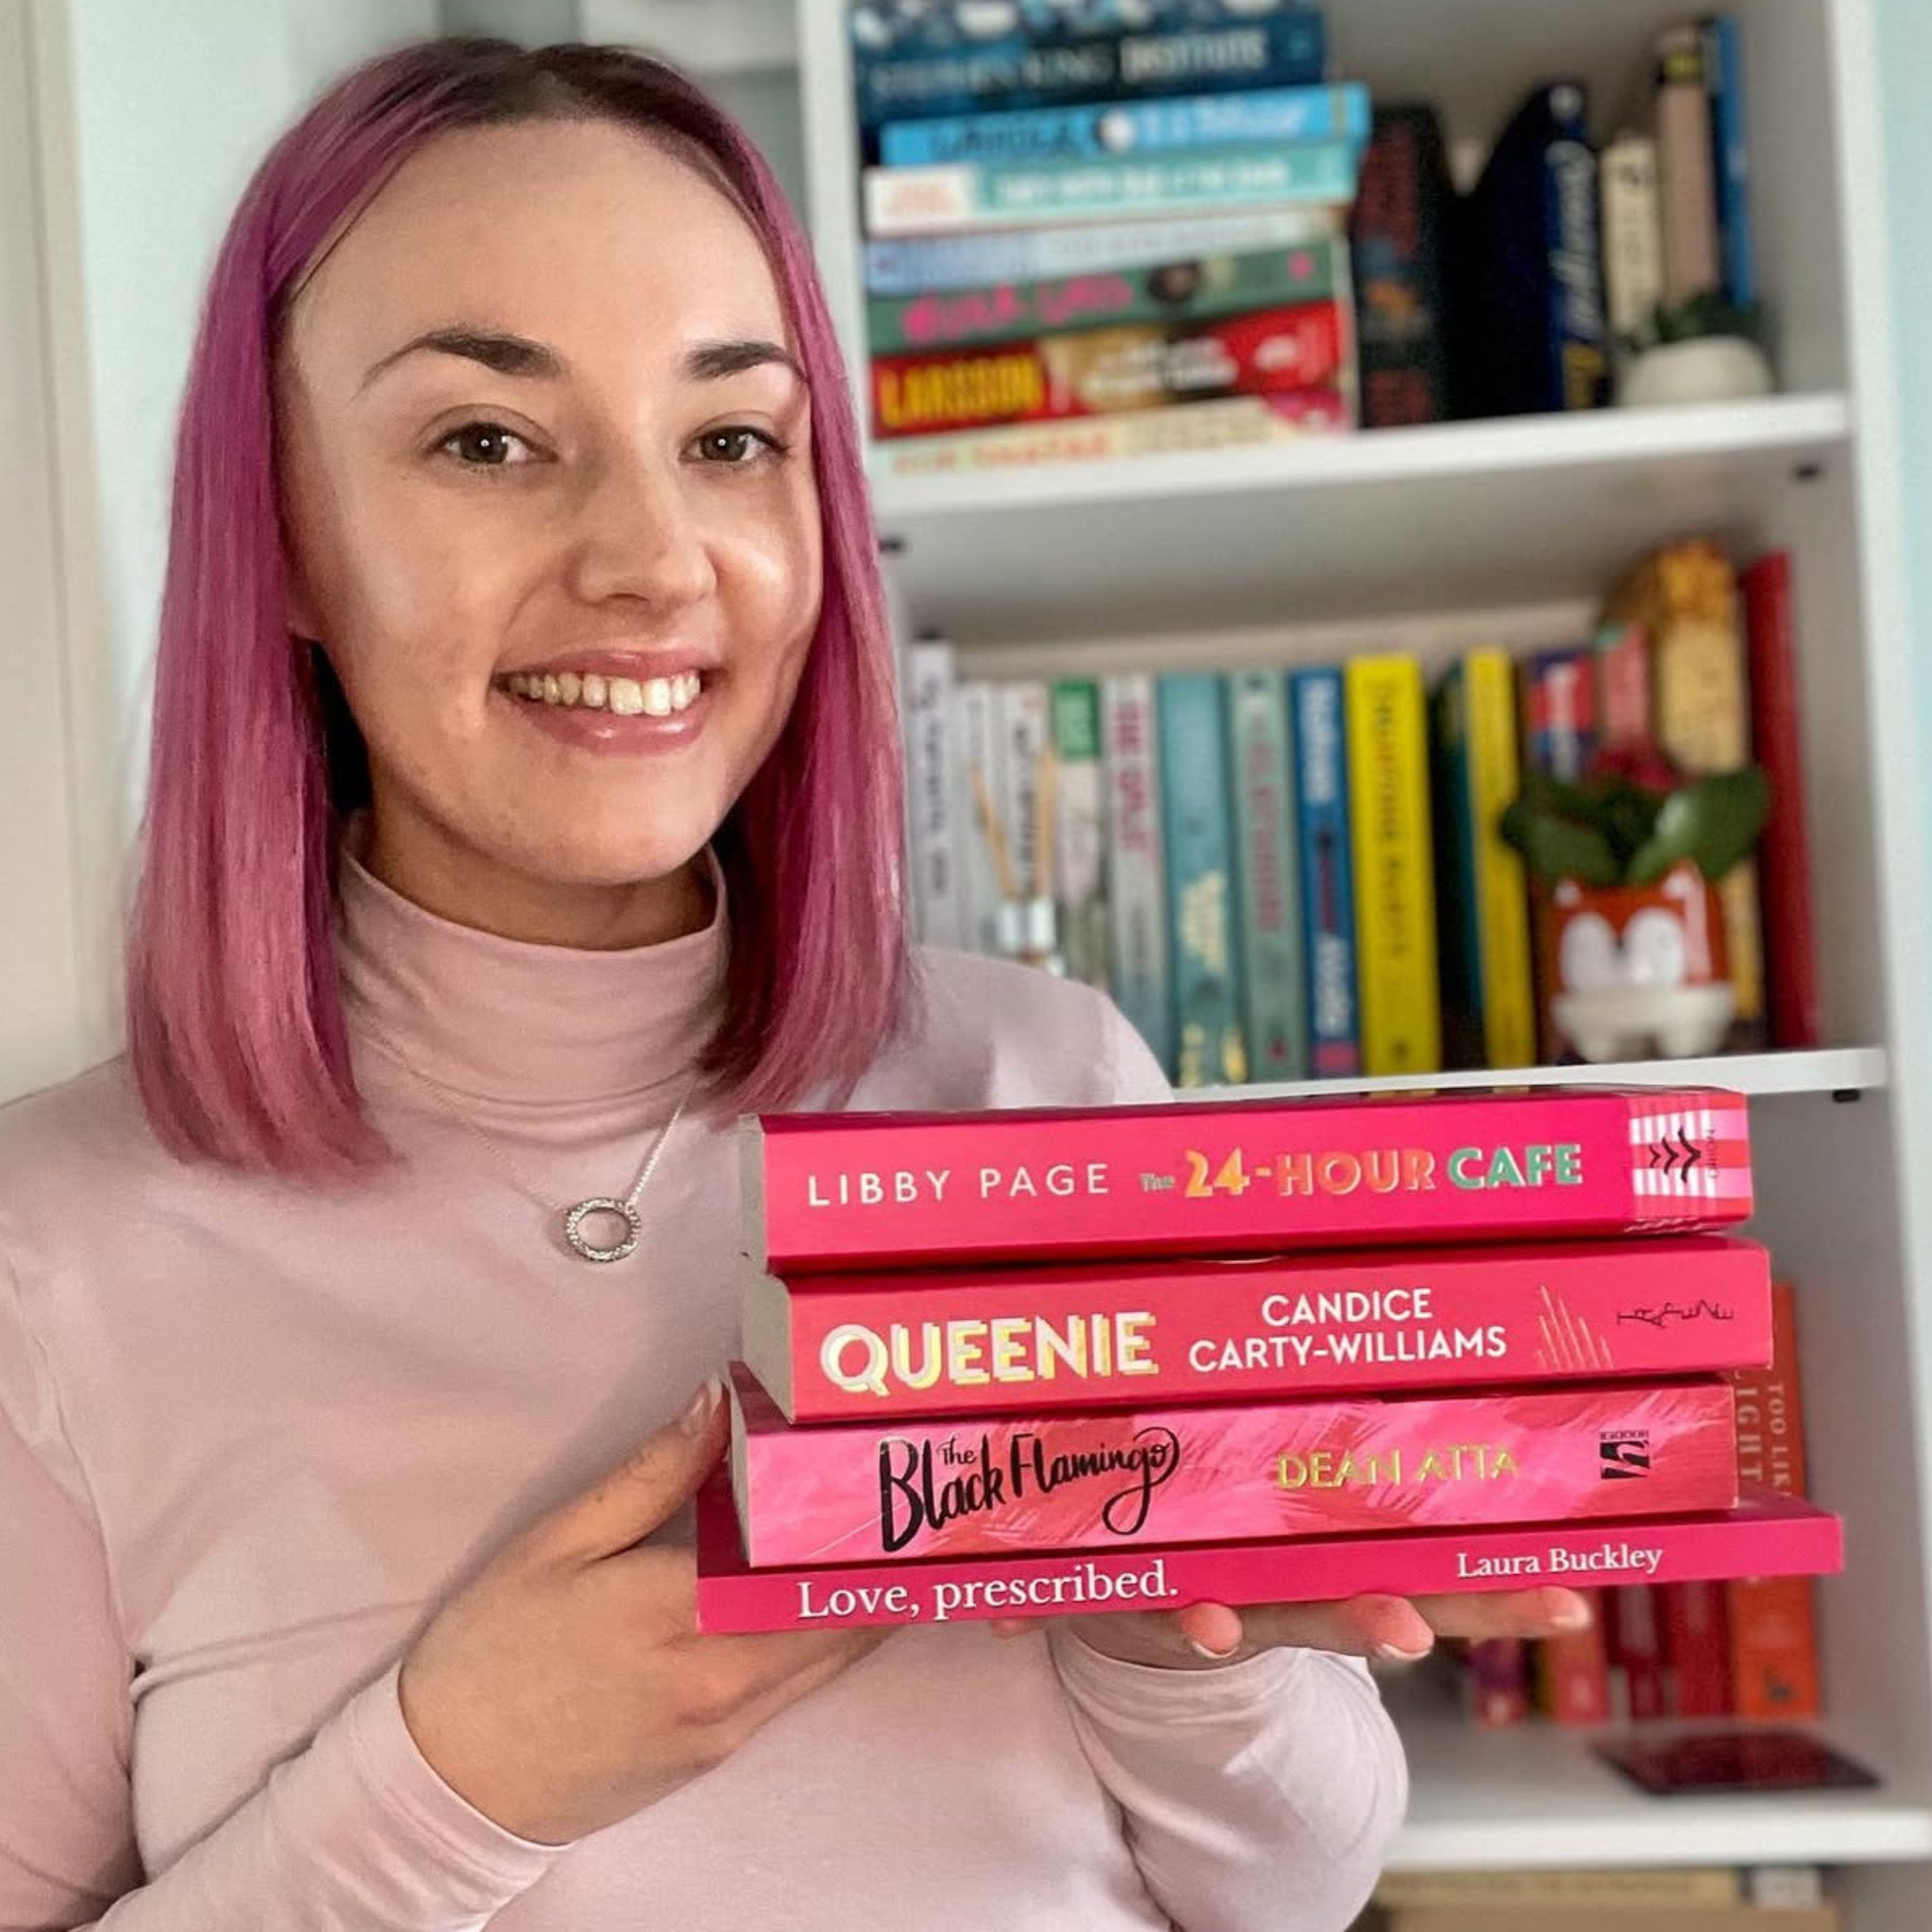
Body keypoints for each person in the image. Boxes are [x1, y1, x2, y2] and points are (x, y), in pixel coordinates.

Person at [0, 38, 1590, 1931]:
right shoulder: (55, 1257)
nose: (652, 559)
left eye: (731, 439)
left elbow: (1295, 1891)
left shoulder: (1048, 1083)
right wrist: (448, 1779)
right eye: (485, 440)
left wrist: (1178, 1642)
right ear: (285, 541)